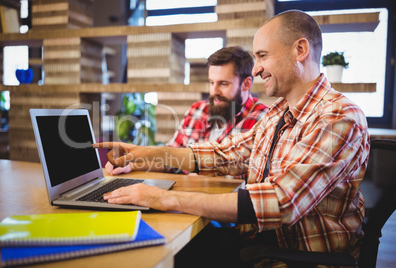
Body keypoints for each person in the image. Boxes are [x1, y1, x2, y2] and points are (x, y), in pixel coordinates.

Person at [93, 10, 370, 267]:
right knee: (160, 250)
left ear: (300, 50)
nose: (257, 69)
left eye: (263, 56)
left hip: (295, 258)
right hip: (259, 241)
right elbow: (225, 153)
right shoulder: (279, 113)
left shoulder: (337, 117)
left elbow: (280, 202)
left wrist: (164, 198)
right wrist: (145, 154)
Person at [106, 46, 268, 177]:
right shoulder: (198, 110)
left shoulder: (263, 120)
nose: (214, 91)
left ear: (246, 84)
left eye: (223, 84)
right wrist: (132, 165)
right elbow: (169, 158)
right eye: (212, 82)